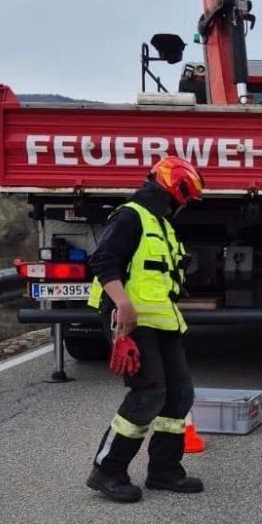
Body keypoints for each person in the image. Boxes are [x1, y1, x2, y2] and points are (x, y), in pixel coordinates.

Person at [86, 155, 206, 504]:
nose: (182, 206)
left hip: (161, 320)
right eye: (182, 199)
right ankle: (107, 470)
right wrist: (122, 306)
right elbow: (103, 262)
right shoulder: (129, 216)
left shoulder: (161, 223)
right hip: (129, 318)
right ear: (172, 190)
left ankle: (165, 470)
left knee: (179, 394)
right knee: (148, 394)